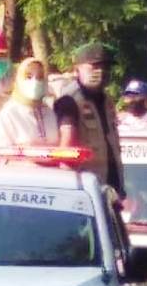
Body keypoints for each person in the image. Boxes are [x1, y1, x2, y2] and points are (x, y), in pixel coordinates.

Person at [53, 42, 125, 194]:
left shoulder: (107, 101)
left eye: (106, 67)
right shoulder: (69, 101)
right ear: (77, 69)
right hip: (85, 189)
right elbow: (65, 153)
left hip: (110, 188)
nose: (101, 72)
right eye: (94, 66)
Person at [0, 58, 60, 147]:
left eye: (40, 77)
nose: (35, 82)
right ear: (19, 80)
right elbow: (0, 150)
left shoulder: (49, 112)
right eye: (28, 77)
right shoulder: (10, 113)